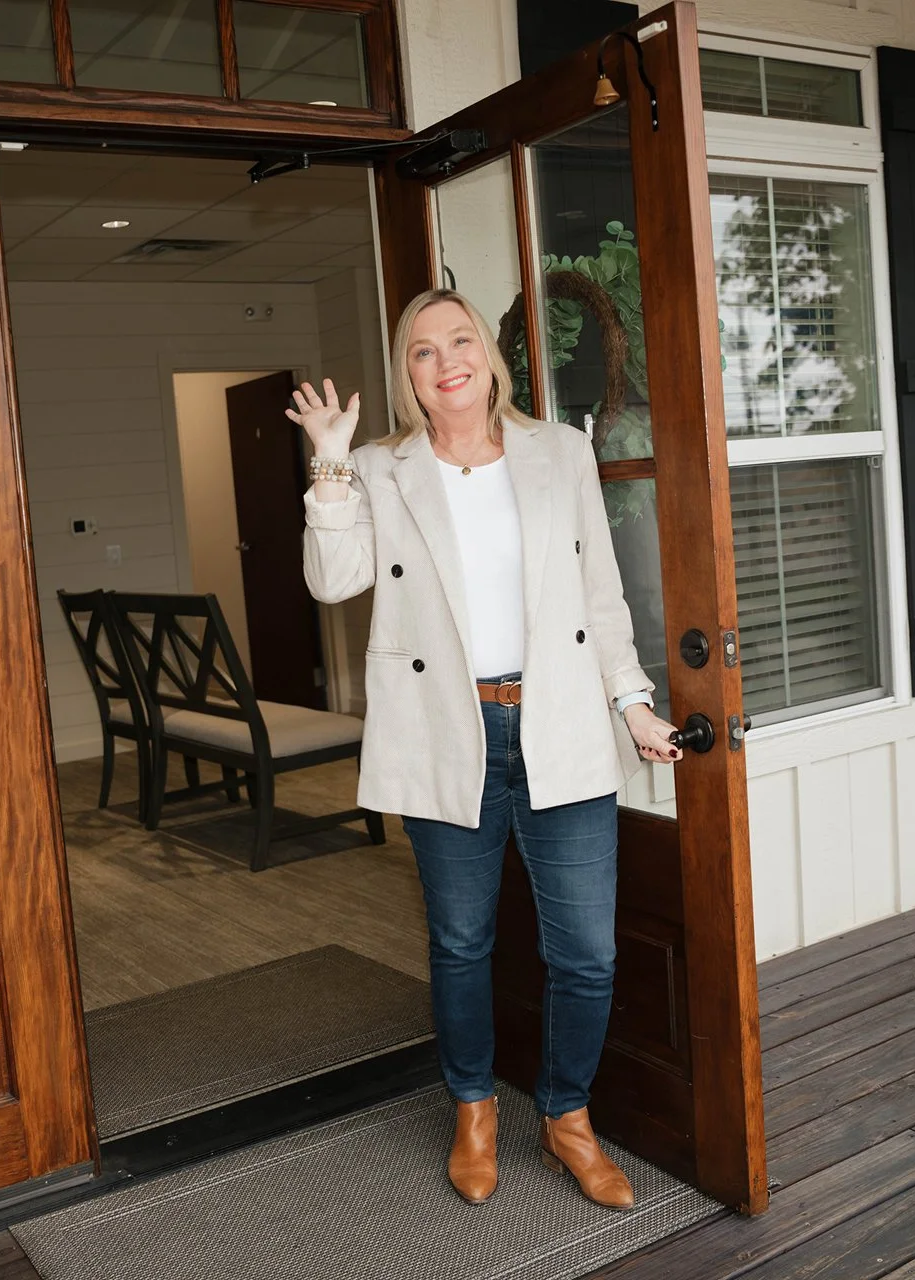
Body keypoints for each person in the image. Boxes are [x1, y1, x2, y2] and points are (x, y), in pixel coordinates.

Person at [292, 288, 684, 1211]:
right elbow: (334, 582)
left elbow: (600, 592)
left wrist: (633, 704)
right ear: (409, 376)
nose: (446, 360)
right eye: (422, 352)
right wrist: (330, 466)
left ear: (490, 355)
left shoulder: (561, 452)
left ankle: (566, 1117)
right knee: (462, 943)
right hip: (445, 730)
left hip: (558, 724)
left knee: (586, 952)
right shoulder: (382, 468)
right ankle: (473, 1110)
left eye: (459, 340)